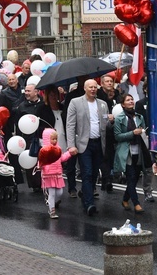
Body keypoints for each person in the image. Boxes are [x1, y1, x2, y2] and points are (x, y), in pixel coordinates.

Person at [66, 79, 112, 216]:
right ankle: (89, 204)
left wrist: (110, 120)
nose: (93, 89)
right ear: (85, 88)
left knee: (94, 174)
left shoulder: (103, 104)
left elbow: (105, 125)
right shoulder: (75, 103)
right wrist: (71, 146)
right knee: (87, 172)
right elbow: (70, 125)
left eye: (95, 87)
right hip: (84, 144)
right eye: (90, 87)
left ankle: (86, 195)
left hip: (99, 143)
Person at [14, 81, 55, 192]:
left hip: (42, 136)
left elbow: (49, 120)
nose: (26, 93)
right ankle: (35, 185)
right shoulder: (22, 106)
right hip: (28, 137)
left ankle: (45, 182)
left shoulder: (44, 105)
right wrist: (19, 138)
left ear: (36, 92)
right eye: (25, 91)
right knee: (31, 159)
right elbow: (18, 124)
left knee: (43, 160)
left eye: (28, 91)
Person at [114, 94, 149, 214]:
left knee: (134, 179)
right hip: (126, 151)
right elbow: (117, 137)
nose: (131, 102)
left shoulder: (139, 117)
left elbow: (144, 130)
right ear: (123, 104)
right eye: (128, 100)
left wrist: (143, 132)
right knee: (131, 177)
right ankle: (136, 203)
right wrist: (132, 133)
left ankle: (125, 199)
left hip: (139, 150)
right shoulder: (119, 118)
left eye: (131, 99)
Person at [39, 128, 75, 219]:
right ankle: (52, 210)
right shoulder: (44, 150)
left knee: (60, 192)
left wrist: (69, 154)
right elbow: (40, 161)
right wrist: (41, 166)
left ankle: (53, 203)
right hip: (48, 175)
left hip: (57, 174)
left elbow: (62, 158)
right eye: (52, 139)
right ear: (47, 139)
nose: (54, 141)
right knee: (52, 193)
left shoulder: (58, 149)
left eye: (56, 139)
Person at [97, 75, 120, 193]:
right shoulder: (98, 95)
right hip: (103, 129)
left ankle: (109, 176)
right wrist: (108, 116)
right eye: (107, 81)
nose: (110, 83)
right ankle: (106, 179)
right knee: (105, 155)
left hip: (113, 130)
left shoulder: (116, 94)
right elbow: (99, 114)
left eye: (111, 81)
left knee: (111, 154)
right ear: (102, 83)